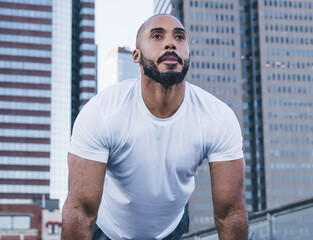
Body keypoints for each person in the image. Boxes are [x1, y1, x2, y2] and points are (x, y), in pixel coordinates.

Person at [61, 14, 248, 240]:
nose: (171, 43)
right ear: (136, 56)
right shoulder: (102, 112)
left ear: (188, 54)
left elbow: (230, 214)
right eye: (157, 36)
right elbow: (80, 211)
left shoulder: (217, 117)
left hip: (171, 229)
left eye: (180, 38)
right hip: (108, 231)